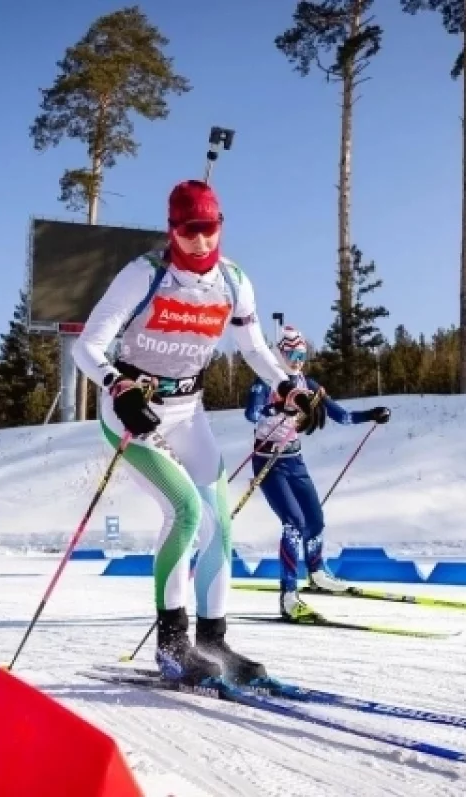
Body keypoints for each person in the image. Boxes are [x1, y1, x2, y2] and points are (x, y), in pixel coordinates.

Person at [75, 179, 324, 686]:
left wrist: (288, 387)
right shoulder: (144, 274)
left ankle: (213, 642)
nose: (200, 241)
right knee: (185, 511)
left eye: (208, 229)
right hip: (133, 412)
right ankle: (172, 646)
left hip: (187, 410)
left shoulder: (233, 281)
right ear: (172, 229)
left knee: (220, 524)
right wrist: (118, 386)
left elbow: (253, 347)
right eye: (189, 230)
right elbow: (88, 346)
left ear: (220, 226)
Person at [245, 325, 390, 621]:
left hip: (294, 460)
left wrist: (371, 414)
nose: (297, 360)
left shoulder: (307, 384)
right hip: (268, 461)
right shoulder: (266, 380)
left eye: (302, 355)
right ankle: (288, 595)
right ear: (279, 354)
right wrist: (280, 409)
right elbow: (252, 413)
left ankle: (317, 573)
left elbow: (341, 416)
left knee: (315, 520)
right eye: (291, 355)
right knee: (293, 523)